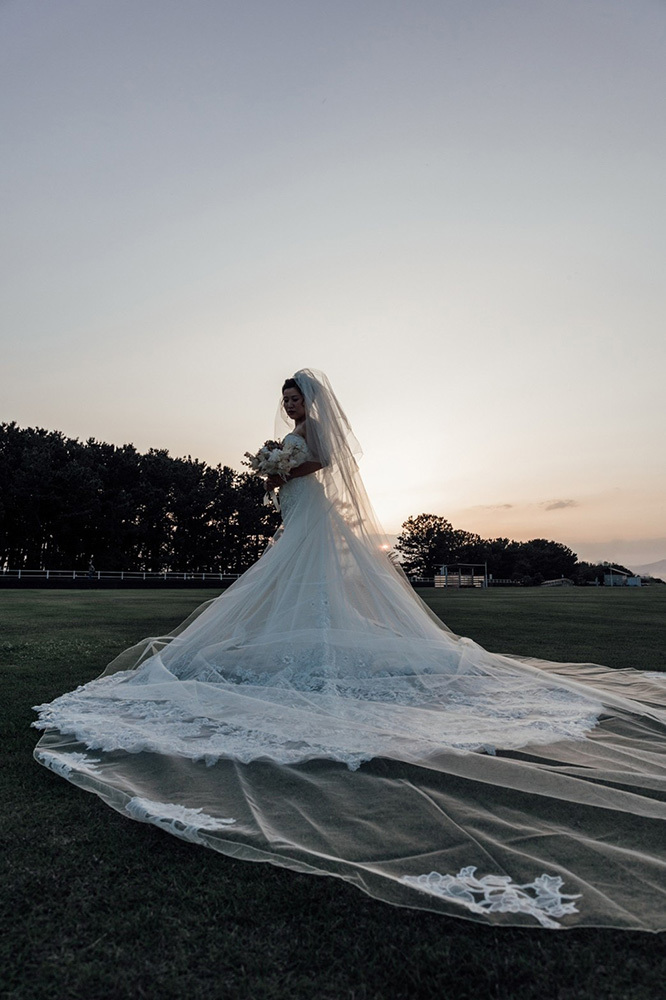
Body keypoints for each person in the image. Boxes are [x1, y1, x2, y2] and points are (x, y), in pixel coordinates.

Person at [34, 369, 666, 930]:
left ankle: (324, 651)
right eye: (283, 400)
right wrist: (272, 471)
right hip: (297, 518)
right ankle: (300, 644)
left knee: (311, 583)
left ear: (310, 401)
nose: (289, 406)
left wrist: (283, 466)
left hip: (311, 517)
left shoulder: (313, 439)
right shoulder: (290, 438)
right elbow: (290, 477)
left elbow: (322, 465)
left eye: (294, 398)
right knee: (292, 583)